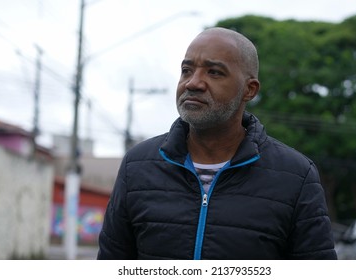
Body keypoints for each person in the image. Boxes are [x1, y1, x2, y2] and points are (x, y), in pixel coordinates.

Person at [97, 27, 337, 260]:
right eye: (186, 70)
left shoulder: (296, 176)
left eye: (214, 72)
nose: (193, 83)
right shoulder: (137, 166)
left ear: (249, 90)